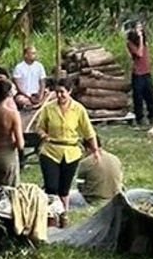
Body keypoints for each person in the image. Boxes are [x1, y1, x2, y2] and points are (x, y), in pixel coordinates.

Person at [30, 78, 102, 226]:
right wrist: (43, 135)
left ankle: (64, 214)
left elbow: (89, 132)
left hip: (71, 151)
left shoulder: (78, 109)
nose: (60, 96)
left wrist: (95, 150)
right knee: (51, 186)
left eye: (62, 92)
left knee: (64, 188)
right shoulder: (49, 108)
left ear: (69, 92)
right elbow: (39, 126)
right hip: (50, 150)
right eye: (57, 92)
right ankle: (51, 216)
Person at [127, 23, 153, 127]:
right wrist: (140, 38)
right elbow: (139, 54)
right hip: (138, 74)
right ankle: (139, 117)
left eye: (140, 28)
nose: (139, 31)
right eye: (137, 29)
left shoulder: (145, 43)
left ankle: (152, 115)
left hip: (146, 72)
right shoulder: (131, 43)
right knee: (138, 97)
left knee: (150, 94)